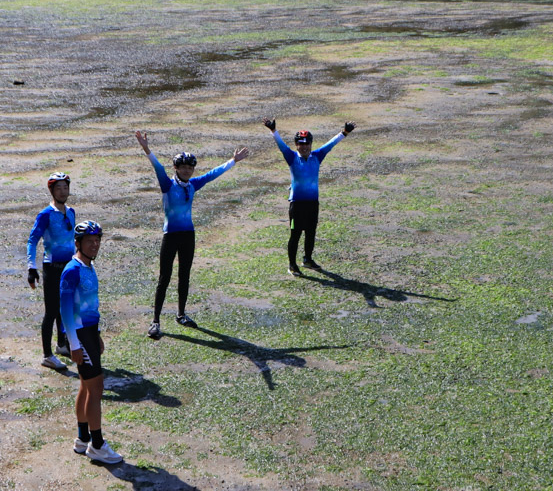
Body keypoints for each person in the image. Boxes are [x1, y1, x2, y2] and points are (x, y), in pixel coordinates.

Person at [135, 130, 249, 339]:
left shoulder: (194, 184)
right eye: (183, 167)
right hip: (170, 235)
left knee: (184, 275)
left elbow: (214, 173)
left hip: (188, 235)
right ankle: (155, 321)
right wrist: (146, 148)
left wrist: (233, 160)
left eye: (190, 167)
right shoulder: (167, 184)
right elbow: (157, 167)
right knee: (164, 277)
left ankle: (181, 314)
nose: (187, 170)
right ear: (176, 168)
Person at [61, 221, 123, 464]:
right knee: (96, 390)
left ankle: (82, 439)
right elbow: (65, 311)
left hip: (88, 333)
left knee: (86, 387)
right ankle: (97, 445)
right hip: (79, 335)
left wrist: (95, 334)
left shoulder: (88, 265)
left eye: (97, 240)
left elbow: (88, 307)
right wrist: (75, 344)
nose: (95, 244)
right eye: (89, 241)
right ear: (78, 243)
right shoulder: (72, 270)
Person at [264, 119, 355, 275]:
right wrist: (274, 131)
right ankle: (292, 265)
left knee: (311, 232)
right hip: (297, 205)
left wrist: (344, 132)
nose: (304, 147)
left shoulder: (317, 156)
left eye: (307, 144)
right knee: (295, 234)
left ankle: (307, 259)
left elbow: (330, 144)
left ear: (311, 144)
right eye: (301, 143)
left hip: (313, 203)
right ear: (296, 145)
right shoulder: (291, 157)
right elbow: (281, 146)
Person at [27, 172, 75, 370]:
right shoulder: (46, 214)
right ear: (52, 190)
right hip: (52, 268)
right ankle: (47, 355)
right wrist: (32, 267)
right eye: (59, 188)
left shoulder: (71, 212)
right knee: (52, 311)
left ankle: (61, 344)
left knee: (66, 308)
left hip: (69, 267)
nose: (63, 192)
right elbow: (32, 240)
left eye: (65, 188)